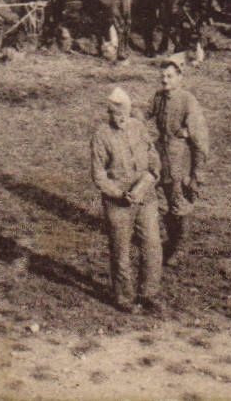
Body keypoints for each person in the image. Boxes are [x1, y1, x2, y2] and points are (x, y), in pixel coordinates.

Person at [90, 85, 163, 314]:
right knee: (121, 251)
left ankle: (148, 294)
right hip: (118, 203)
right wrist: (118, 194)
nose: (119, 117)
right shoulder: (101, 136)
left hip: (146, 197)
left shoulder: (139, 128)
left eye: (122, 112)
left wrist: (151, 178)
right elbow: (99, 175)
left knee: (152, 245)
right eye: (113, 113)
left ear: (130, 112)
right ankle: (124, 298)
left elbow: (153, 157)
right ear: (108, 113)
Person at [149, 55, 209, 270]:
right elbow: (145, 114)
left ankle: (180, 246)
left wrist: (196, 174)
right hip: (160, 158)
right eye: (162, 76)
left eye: (170, 76)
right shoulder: (158, 97)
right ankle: (168, 239)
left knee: (178, 202)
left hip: (178, 161)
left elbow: (200, 141)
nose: (165, 80)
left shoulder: (187, 101)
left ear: (180, 77)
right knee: (160, 201)